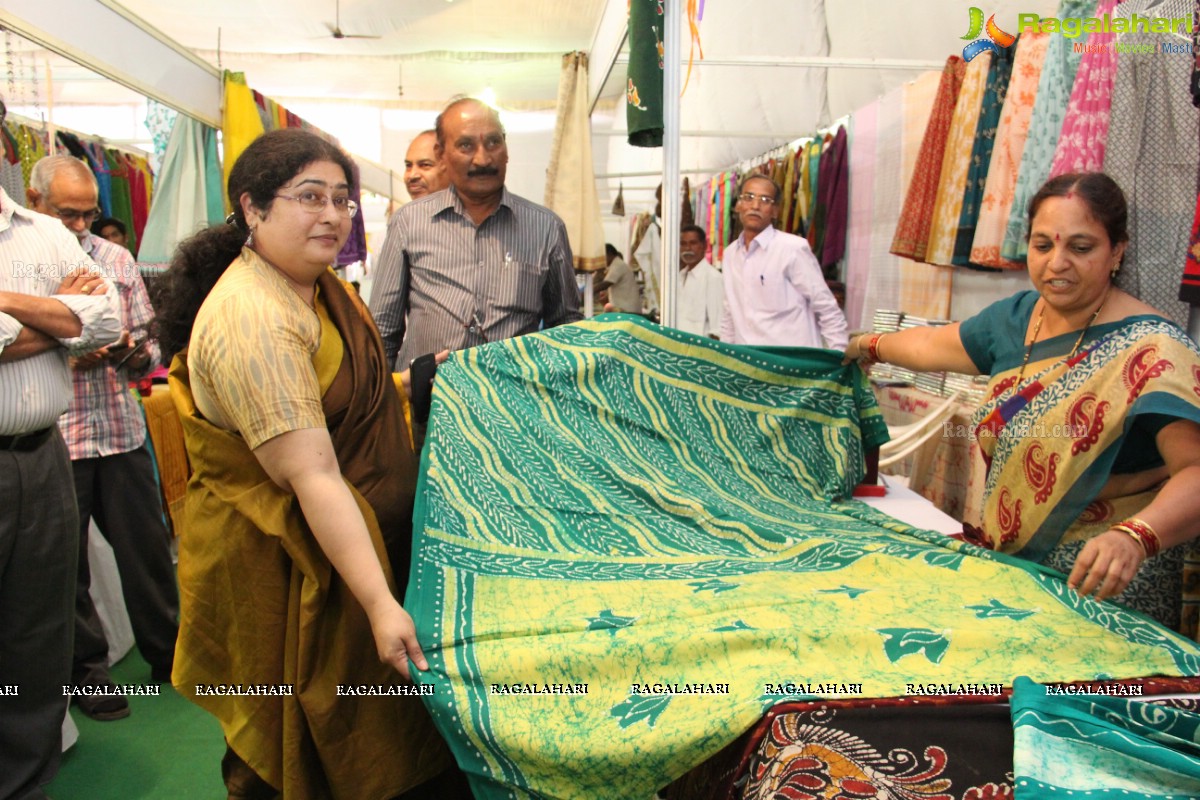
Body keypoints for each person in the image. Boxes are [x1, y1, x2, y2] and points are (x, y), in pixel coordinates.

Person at [154, 129, 451, 798]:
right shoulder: (252, 317)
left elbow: (339, 398)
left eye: (343, 200)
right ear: (252, 210)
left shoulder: (315, 290)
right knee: (287, 745)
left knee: (363, 738)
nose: (333, 215)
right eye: (310, 197)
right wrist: (379, 603)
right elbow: (313, 473)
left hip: (338, 544)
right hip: (279, 562)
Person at [845, 172, 1200, 632]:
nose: (1058, 264)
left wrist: (1135, 538)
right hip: (1015, 575)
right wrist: (866, 346)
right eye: (1043, 245)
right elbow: (934, 345)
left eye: (1081, 247)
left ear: (1117, 251)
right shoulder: (1017, 320)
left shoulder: (1153, 350)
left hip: (1109, 582)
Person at [27, 155, 179, 720]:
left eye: (89, 213)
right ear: (37, 202)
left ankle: (170, 657)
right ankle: (90, 678)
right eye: (69, 214)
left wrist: (127, 353)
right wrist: (67, 349)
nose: (81, 226)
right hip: (58, 438)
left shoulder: (115, 258)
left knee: (148, 554)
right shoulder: (22, 262)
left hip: (119, 428)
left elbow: (149, 346)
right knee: (68, 570)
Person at [0, 183, 120, 800]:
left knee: (39, 631)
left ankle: (25, 785)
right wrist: (59, 315)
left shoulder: (43, 232)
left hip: (43, 453)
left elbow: (107, 322)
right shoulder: (51, 241)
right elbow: (79, 326)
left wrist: (7, 305)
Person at [370, 96, 582, 369]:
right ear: (441, 154)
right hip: (428, 402)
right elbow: (383, 331)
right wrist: (385, 403)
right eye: (466, 145)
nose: (483, 159)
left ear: (506, 149)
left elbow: (565, 327)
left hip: (512, 402)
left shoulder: (546, 228)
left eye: (493, 142)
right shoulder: (409, 222)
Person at [720, 174, 848, 350]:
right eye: (749, 198)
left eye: (765, 200)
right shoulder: (730, 255)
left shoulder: (792, 249)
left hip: (791, 366)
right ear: (738, 205)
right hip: (748, 364)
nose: (755, 205)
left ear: (775, 211)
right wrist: (726, 358)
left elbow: (826, 308)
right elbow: (730, 313)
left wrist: (839, 358)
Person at [676, 225, 724, 339]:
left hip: (699, 349)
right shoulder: (679, 276)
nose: (687, 248)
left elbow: (717, 328)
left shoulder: (713, 278)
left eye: (693, 243)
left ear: (704, 246)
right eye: (683, 244)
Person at [595, 243, 641, 313]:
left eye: (602, 257)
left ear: (609, 254)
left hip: (627, 310)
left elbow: (606, 284)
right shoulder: (616, 265)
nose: (601, 261)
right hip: (625, 308)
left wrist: (588, 291)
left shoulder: (618, 265)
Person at [403, 129, 447, 200]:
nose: (412, 175)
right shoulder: (404, 211)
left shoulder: (468, 210)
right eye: (408, 165)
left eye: (425, 165)